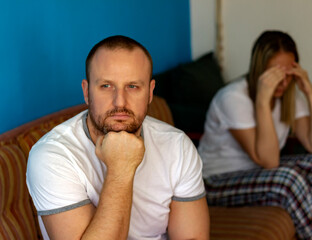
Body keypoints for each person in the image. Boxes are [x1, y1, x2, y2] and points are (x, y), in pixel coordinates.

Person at [26, 35, 210, 240]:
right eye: (106, 86)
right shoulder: (53, 156)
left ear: (150, 92)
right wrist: (120, 169)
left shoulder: (177, 146)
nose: (119, 102)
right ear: (87, 92)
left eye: (133, 86)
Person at [198, 30, 312, 239]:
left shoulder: (288, 95)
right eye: (275, 73)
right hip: (215, 183)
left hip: (257, 175)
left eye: (288, 73)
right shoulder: (233, 98)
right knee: (289, 180)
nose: (283, 82)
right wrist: (263, 99)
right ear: (259, 69)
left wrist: (310, 94)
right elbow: (269, 161)